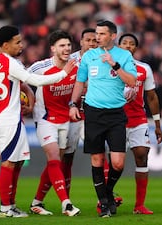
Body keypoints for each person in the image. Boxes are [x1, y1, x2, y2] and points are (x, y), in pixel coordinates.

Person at [0, 25, 76, 218]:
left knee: (16, 162)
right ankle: (5, 209)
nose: (21, 45)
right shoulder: (11, 63)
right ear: (5, 44)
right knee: (9, 163)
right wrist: (63, 74)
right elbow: (33, 80)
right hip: (9, 119)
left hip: (3, 117)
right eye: (17, 42)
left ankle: (10, 204)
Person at [69, 20, 137, 218]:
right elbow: (80, 82)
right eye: (96, 34)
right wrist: (73, 105)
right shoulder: (89, 56)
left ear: (113, 36)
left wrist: (114, 64)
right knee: (97, 159)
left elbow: (132, 81)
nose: (97, 37)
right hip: (93, 112)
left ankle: (108, 191)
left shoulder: (123, 56)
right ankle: (105, 204)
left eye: (101, 34)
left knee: (118, 163)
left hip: (116, 113)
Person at [28, 30, 80, 217]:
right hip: (44, 119)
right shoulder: (40, 67)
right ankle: (66, 204)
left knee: (55, 163)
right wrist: (30, 100)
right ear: (53, 49)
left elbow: (82, 85)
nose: (66, 49)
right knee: (53, 157)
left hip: (65, 119)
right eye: (62, 45)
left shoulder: (76, 65)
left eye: (68, 45)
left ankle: (37, 202)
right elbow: (22, 81)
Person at [118, 33, 162, 214]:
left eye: (132, 44)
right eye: (124, 43)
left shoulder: (144, 69)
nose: (128, 46)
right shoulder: (109, 66)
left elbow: (151, 96)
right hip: (116, 121)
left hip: (138, 120)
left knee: (142, 155)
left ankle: (139, 205)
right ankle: (106, 200)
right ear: (119, 46)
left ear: (136, 48)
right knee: (115, 164)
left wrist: (158, 124)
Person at [64, 28, 97, 196]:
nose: (91, 43)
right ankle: (65, 197)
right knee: (67, 157)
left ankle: (105, 197)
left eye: (94, 40)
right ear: (81, 41)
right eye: (88, 40)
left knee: (98, 153)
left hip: (93, 113)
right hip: (72, 113)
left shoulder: (103, 59)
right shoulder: (70, 60)